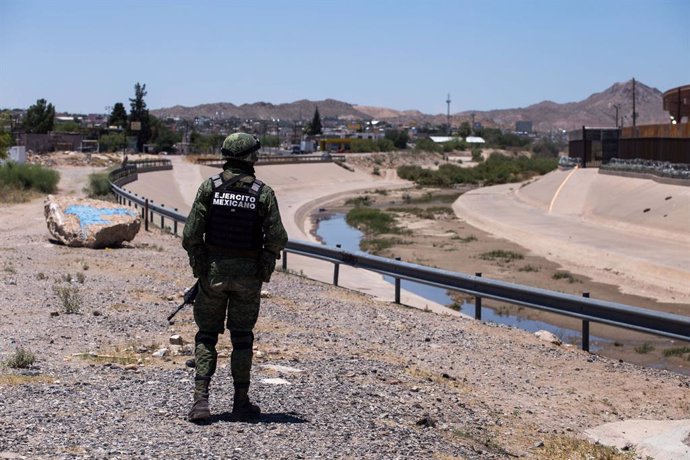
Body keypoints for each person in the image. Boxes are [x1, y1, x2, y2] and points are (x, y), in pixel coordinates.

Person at [182, 132, 288, 422]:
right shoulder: (262, 192)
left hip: (213, 276)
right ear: (252, 157)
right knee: (242, 339)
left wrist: (200, 266)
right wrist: (264, 264)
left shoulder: (210, 188)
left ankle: (201, 403)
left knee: (206, 336)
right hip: (248, 278)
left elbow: (191, 234)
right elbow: (278, 237)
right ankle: (240, 403)